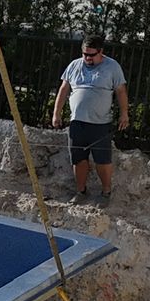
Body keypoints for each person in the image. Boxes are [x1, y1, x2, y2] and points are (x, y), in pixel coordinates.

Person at [51, 33, 130, 205]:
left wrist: (124, 113)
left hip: (100, 124)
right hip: (77, 122)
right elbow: (64, 89)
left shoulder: (112, 67)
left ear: (100, 52)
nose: (87, 58)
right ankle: (81, 191)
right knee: (78, 158)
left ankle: (106, 192)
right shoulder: (74, 65)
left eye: (91, 55)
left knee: (102, 160)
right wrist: (56, 113)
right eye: (84, 54)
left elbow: (121, 91)